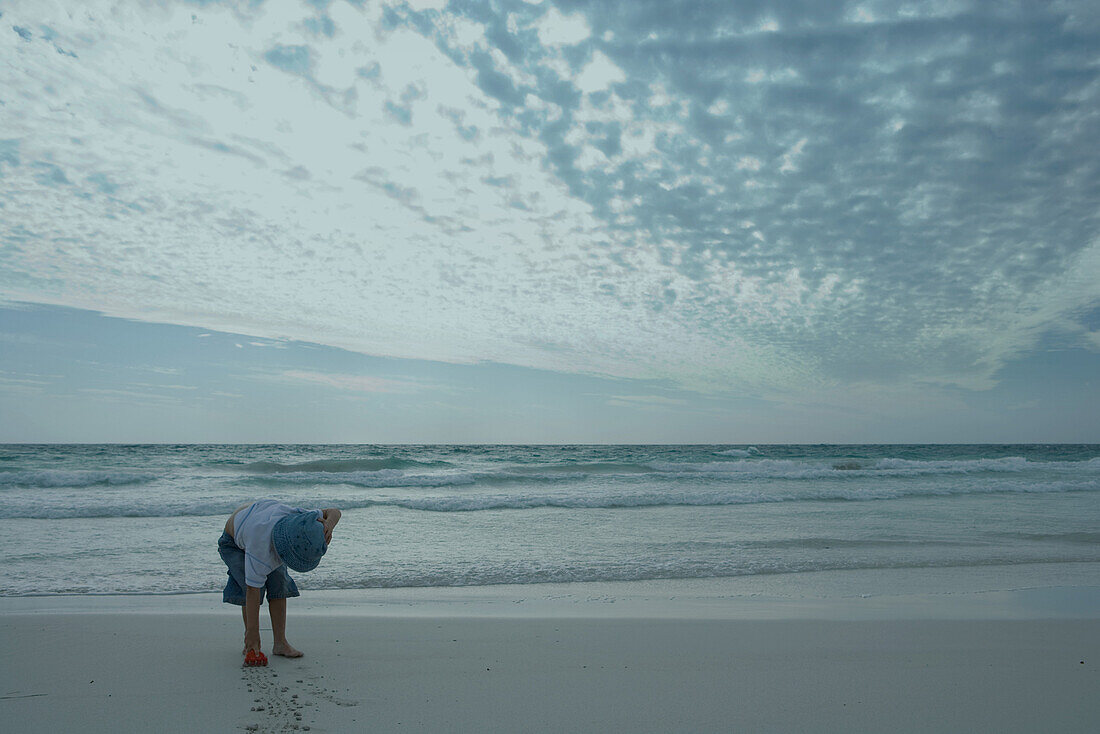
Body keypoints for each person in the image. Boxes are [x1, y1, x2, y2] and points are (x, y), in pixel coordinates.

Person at [218, 499, 342, 666]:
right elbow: (252, 590)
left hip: (263, 517)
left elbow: (334, 511)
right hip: (233, 541)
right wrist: (253, 635)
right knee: (250, 586)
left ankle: (280, 643)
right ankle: (250, 644)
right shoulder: (259, 548)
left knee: (279, 585)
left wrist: (329, 525)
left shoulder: (301, 520)